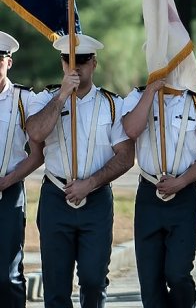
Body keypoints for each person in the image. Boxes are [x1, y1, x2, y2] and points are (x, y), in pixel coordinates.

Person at [25, 34, 134, 308]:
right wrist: (62, 95)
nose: (75, 67)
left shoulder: (111, 104)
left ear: (94, 63)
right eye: (68, 60)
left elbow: (125, 157)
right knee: (56, 282)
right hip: (55, 197)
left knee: (94, 279)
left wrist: (91, 183)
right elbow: (36, 133)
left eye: (82, 61)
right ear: (62, 63)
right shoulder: (45, 99)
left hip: (95, 200)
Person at [122, 65, 196, 308]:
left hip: (183, 194)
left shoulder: (195, 103)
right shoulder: (138, 97)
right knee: (150, 280)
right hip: (149, 194)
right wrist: (150, 93)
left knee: (178, 273)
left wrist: (181, 182)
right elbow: (130, 130)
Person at [0, 31, 41, 307]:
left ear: (9, 63)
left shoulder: (24, 100)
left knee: (7, 275)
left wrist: (9, 180)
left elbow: (37, 155)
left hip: (8, 192)